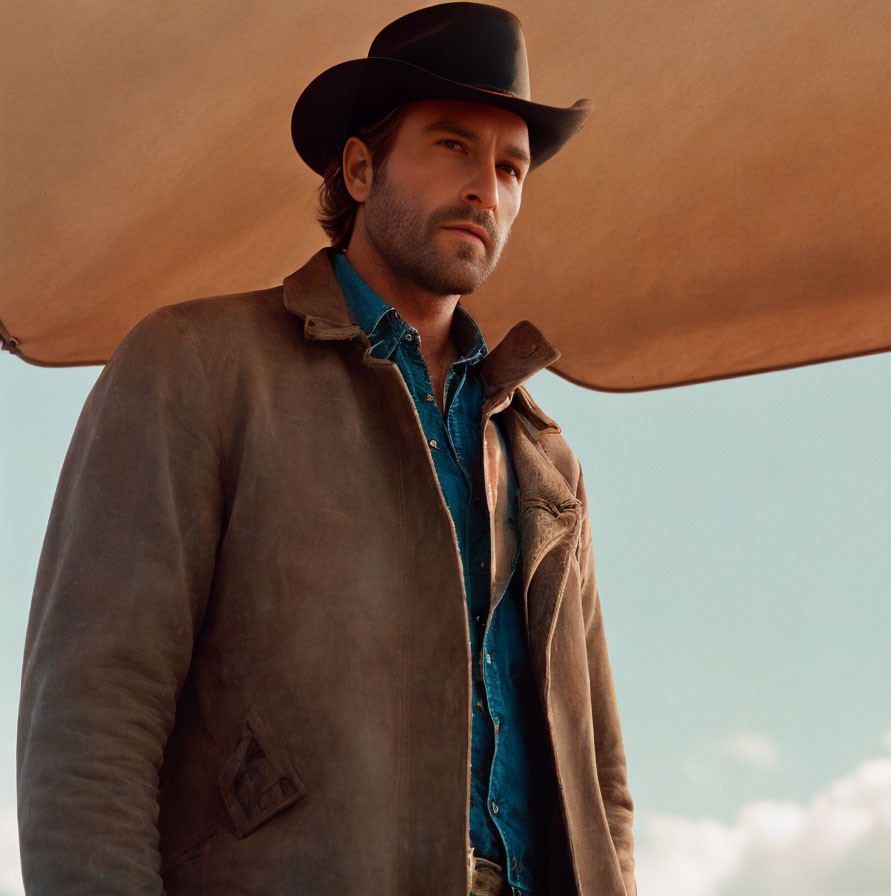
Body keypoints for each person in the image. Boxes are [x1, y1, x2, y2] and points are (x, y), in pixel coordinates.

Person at [16, 4, 635, 895]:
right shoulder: (197, 366)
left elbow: (600, 778)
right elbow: (90, 718)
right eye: (453, 146)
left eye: (511, 166)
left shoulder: (539, 452)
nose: (486, 189)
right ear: (357, 166)